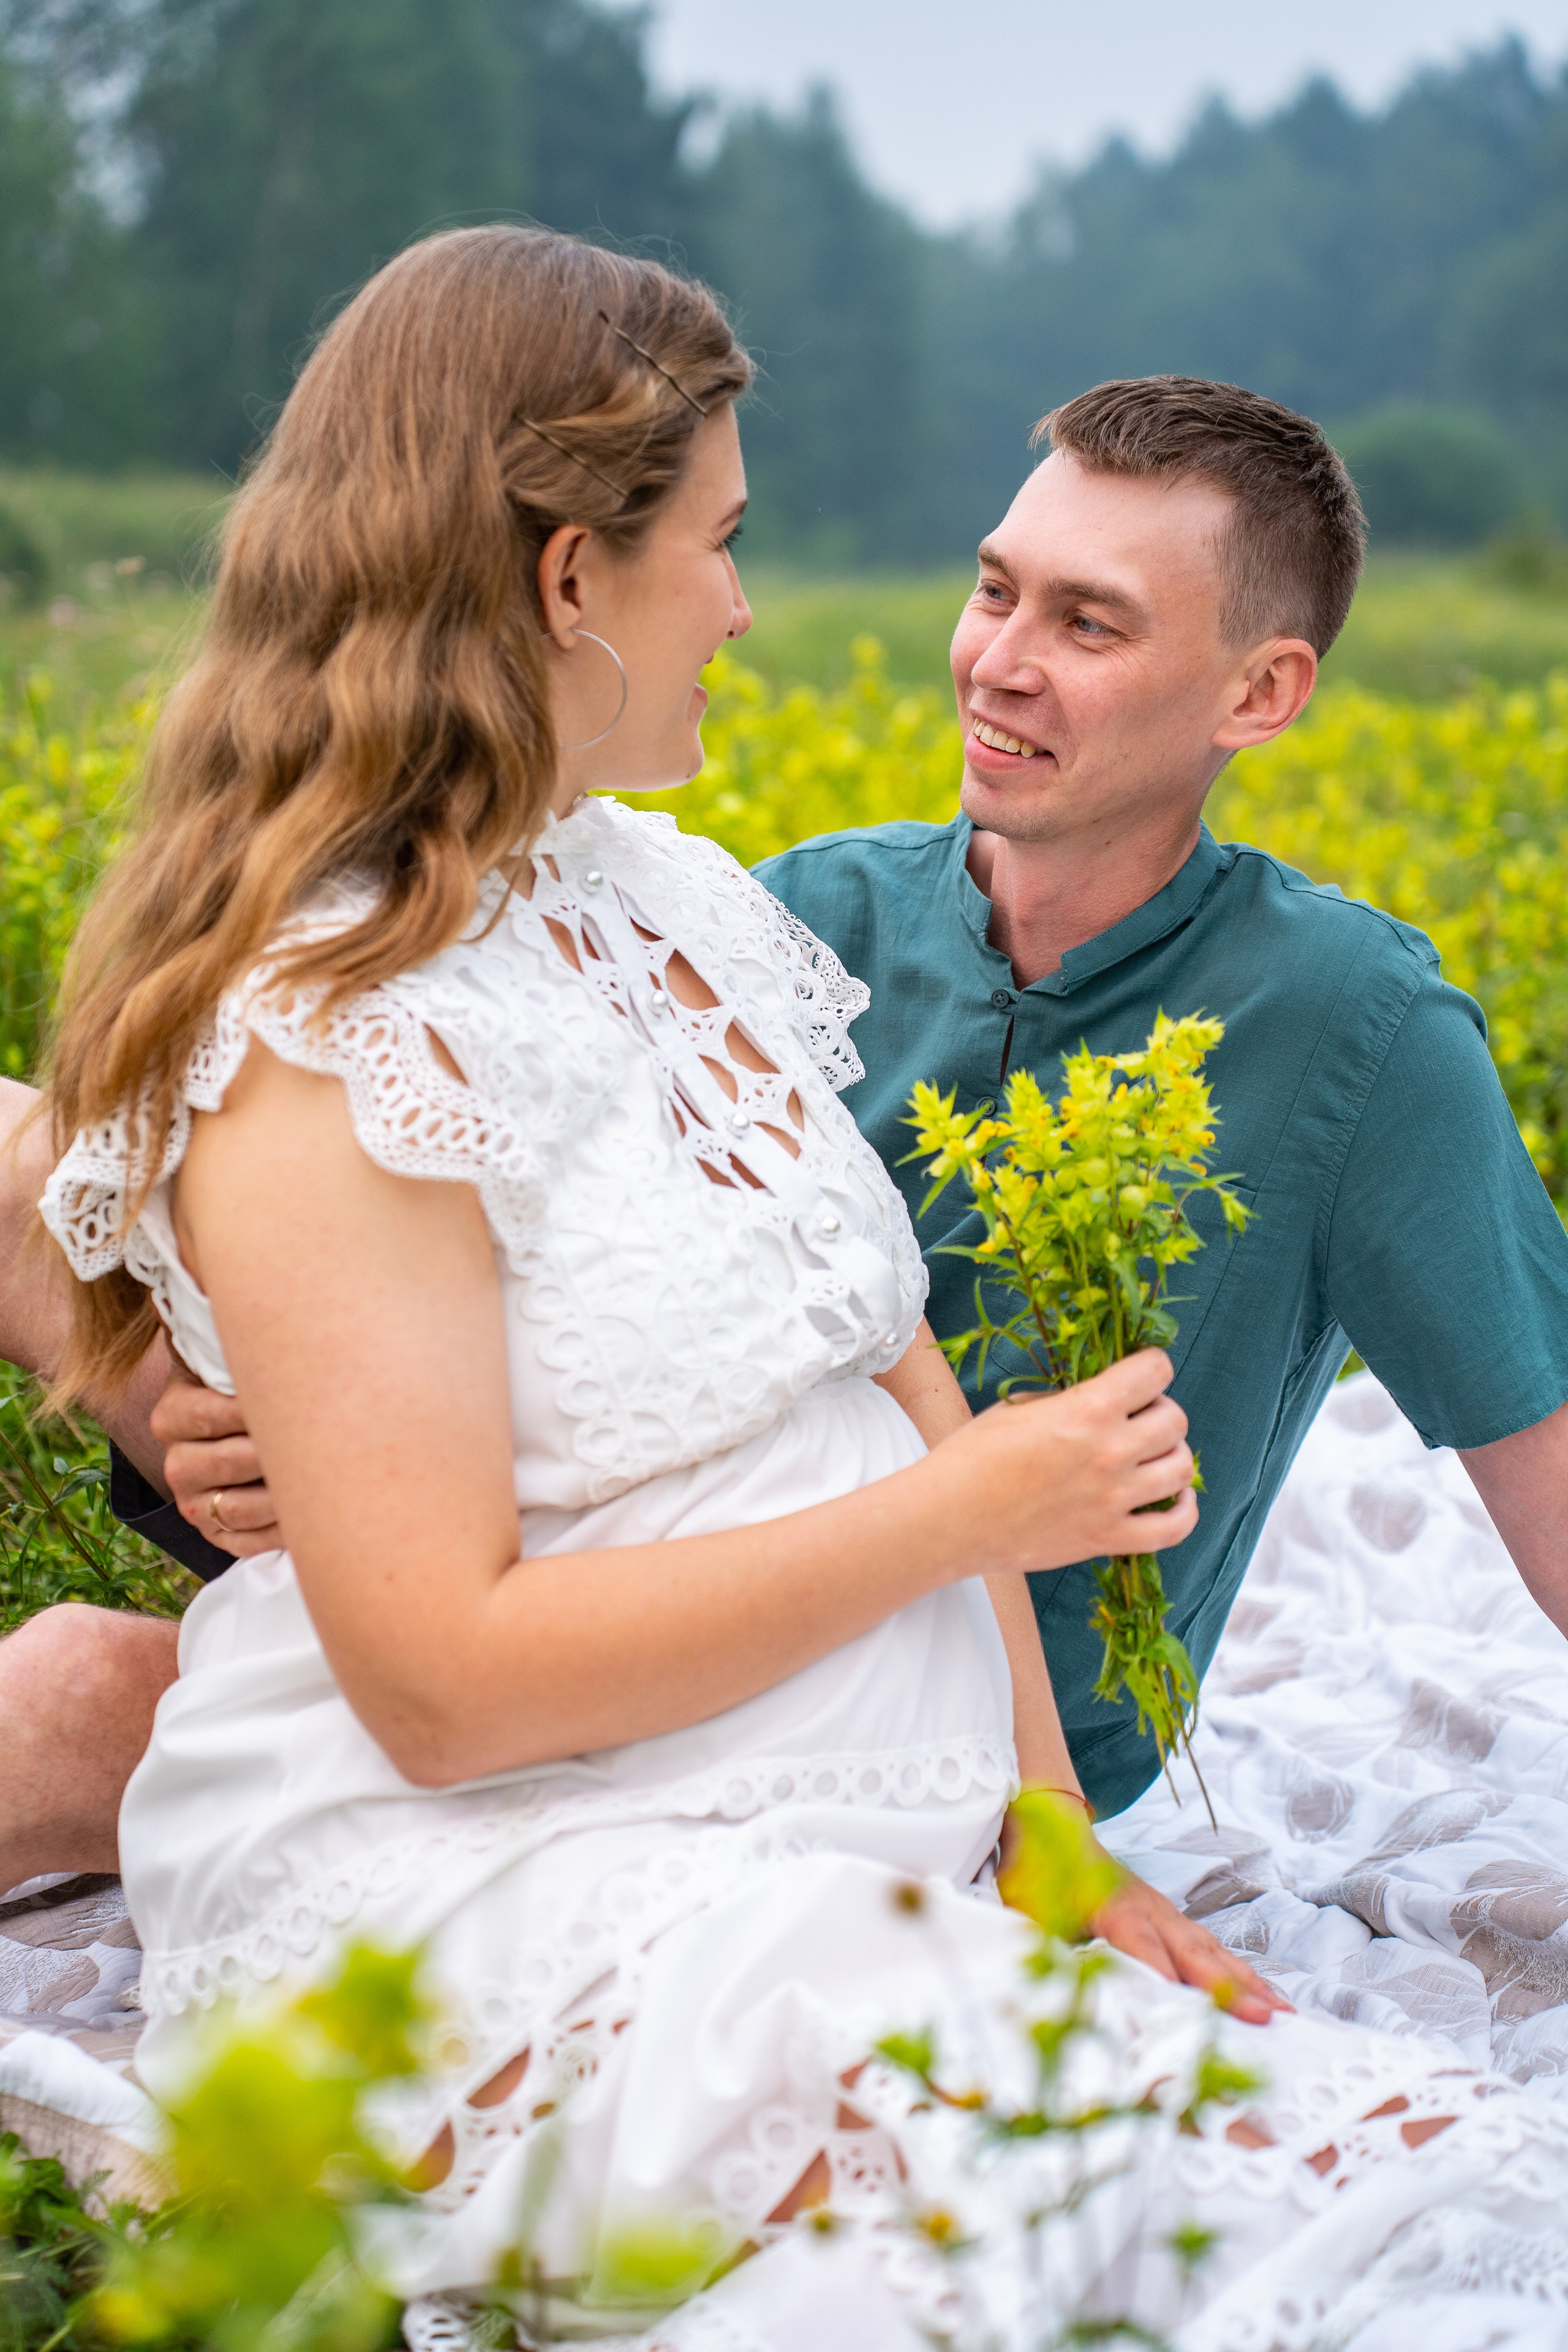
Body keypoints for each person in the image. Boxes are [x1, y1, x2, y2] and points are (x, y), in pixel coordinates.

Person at [13, 225, 1568, 2346]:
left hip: (850, 1794)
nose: (756, 603)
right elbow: (461, 1673)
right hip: (556, 1848)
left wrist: (1059, 1845)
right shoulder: (393, 1004)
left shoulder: (673, 900)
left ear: (1259, 695)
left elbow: (899, 1370)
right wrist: (972, 1513)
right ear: (573, 580)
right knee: (1230, 2251)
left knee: (1412, 2194)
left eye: (1083, 618)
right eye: (725, 542)